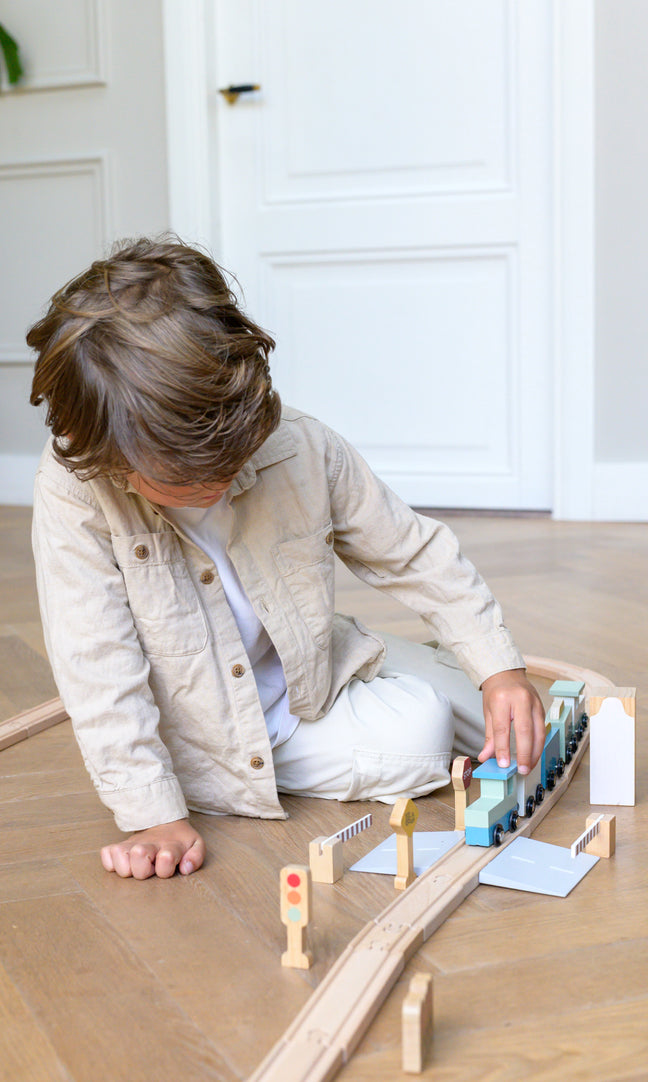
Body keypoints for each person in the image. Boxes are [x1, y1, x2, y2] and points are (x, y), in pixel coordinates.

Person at [27, 235, 545, 882]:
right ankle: (376, 708)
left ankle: (421, 675)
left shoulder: (296, 443)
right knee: (424, 734)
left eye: (228, 460)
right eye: (181, 478)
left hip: (312, 665)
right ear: (105, 453)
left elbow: (411, 552)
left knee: (499, 704)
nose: (214, 485)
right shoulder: (74, 492)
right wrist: (149, 812)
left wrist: (499, 670)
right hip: (230, 734)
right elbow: (96, 663)